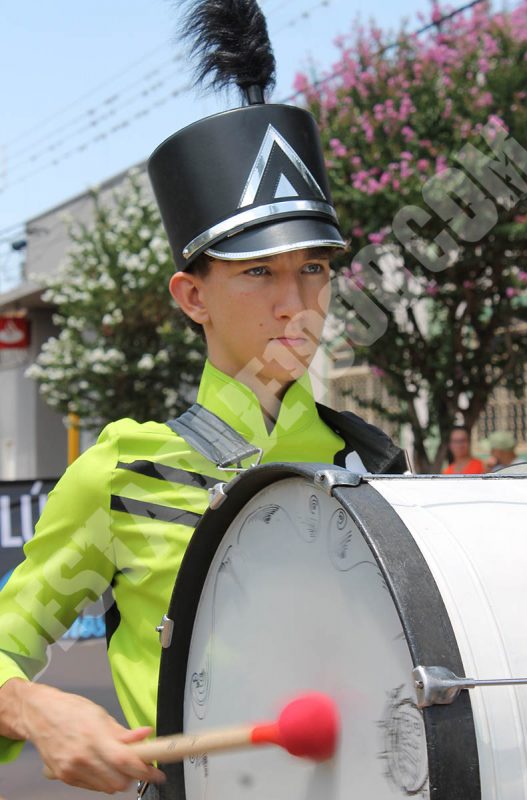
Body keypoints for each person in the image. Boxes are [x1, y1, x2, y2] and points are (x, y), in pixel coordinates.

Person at [0, 0, 406, 796]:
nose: (296, 304)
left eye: (314, 269)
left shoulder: (372, 464)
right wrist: (30, 707)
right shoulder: (123, 474)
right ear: (192, 297)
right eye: (259, 272)